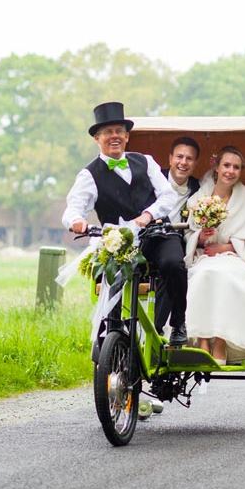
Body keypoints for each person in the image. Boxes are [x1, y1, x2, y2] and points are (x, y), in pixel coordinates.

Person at [62, 101, 188, 346]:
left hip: (157, 233)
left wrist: (148, 215)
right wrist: (76, 221)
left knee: (173, 264)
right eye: (108, 132)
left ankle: (178, 325)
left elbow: (168, 195)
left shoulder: (146, 161)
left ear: (127, 137)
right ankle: (114, 333)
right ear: (97, 138)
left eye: (119, 131)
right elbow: (73, 208)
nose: (115, 136)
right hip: (119, 243)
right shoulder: (89, 175)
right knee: (113, 275)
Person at [183, 146, 245, 364]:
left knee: (226, 276)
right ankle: (202, 339)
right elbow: (189, 233)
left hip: (236, 257)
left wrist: (225, 248)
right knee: (203, 274)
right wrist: (201, 237)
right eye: (226, 165)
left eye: (236, 167)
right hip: (205, 257)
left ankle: (220, 341)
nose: (230, 171)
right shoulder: (199, 198)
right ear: (217, 167)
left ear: (241, 171)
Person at [162, 136, 201, 223]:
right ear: (170, 159)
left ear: (195, 164)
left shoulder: (198, 189)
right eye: (179, 156)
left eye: (189, 158)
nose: (183, 162)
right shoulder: (154, 180)